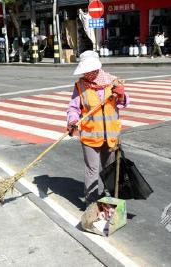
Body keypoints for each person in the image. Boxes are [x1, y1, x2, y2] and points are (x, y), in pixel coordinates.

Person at [67, 50, 129, 205]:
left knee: (110, 170)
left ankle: (108, 200)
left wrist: (121, 95)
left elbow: (124, 103)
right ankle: (91, 204)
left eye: (91, 70)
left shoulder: (113, 82)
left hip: (111, 136)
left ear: (97, 68)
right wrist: (73, 120)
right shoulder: (80, 86)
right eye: (85, 71)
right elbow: (73, 108)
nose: (88, 74)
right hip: (90, 136)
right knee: (92, 170)